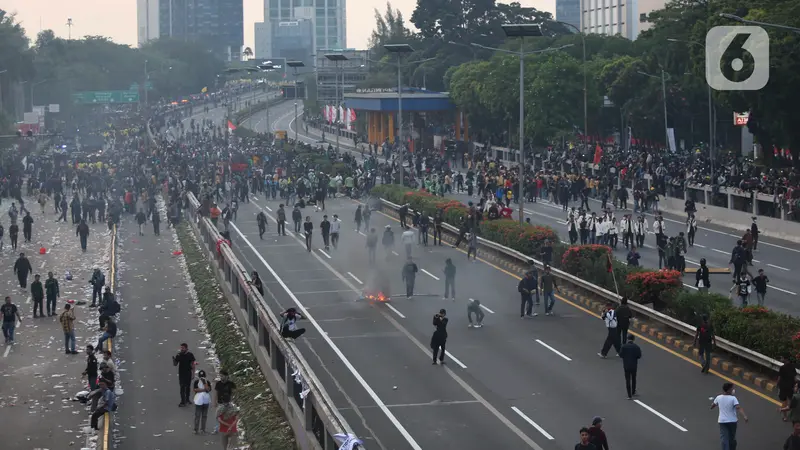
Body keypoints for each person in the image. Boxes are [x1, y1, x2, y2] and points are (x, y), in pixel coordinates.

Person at [711, 382, 748, 450]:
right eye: (732, 388)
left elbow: (712, 406)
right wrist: (744, 416)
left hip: (722, 421)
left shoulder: (718, 397)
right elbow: (738, 408)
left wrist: (714, 405)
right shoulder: (733, 398)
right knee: (732, 437)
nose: (733, 390)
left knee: (724, 438)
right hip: (732, 421)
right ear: (728, 390)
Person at [619, 335, 641, 399]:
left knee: (628, 379)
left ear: (627, 339)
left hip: (626, 365)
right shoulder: (636, 347)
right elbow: (639, 356)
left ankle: (629, 395)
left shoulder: (624, 346)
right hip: (634, 365)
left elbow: (621, 355)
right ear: (633, 339)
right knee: (634, 378)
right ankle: (633, 391)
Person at [193, 369, 212, 434]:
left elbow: (208, 390)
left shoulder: (207, 382)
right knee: (197, 415)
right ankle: (196, 429)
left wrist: (204, 383)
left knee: (204, 415)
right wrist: (203, 389)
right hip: (198, 400)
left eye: (203, 376)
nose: (202, 378)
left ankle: (202, 429)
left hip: (206, 400)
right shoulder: (196, 382)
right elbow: (195, 389)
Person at [779, 356, 798, 421]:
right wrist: (796, 385)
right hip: (791, 387)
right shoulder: (792, 366)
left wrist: (777, 384)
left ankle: (785, 417)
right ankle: (792, 415)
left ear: (785, 359)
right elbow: (795, 378)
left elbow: (779, 377)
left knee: (784, 401)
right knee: (791, 401)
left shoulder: (782, 368)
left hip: (783, 387)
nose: (781, 359)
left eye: (782, 358)